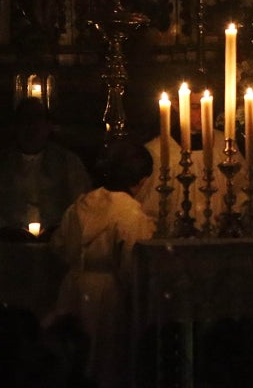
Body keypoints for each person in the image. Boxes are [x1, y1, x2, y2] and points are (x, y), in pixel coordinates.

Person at [50, 139, 156, 388]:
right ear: (139, 179)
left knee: (76, 359)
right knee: (106, 361)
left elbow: (58, 245)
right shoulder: (129, 212)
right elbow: (132, 265)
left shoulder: (81, 204)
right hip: (110, 296)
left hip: (74, 288)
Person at [0, 97, 92, 240]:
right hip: (8, 249)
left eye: (37, 119)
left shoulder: (69, 163)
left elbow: (84, 211)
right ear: (16, 126)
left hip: (58, 248)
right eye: (25, 119)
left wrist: (58, 230)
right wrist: (5, 230)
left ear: (49, 126)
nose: (31, 126)